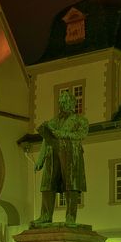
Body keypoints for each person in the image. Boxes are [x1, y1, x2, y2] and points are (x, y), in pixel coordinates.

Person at [33, 91, 88, 224]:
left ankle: (70, 217)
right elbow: (46, 141)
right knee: (47, 184)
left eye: (67, 102)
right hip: (52, 154)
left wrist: (61, 134)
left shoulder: (80, 120)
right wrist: (40, 160)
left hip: (71, 153)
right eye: (62, 102)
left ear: (73, 104)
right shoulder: (53, 121)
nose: (64, 105)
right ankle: (46, 215)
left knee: (71, 185)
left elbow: (81, 134)